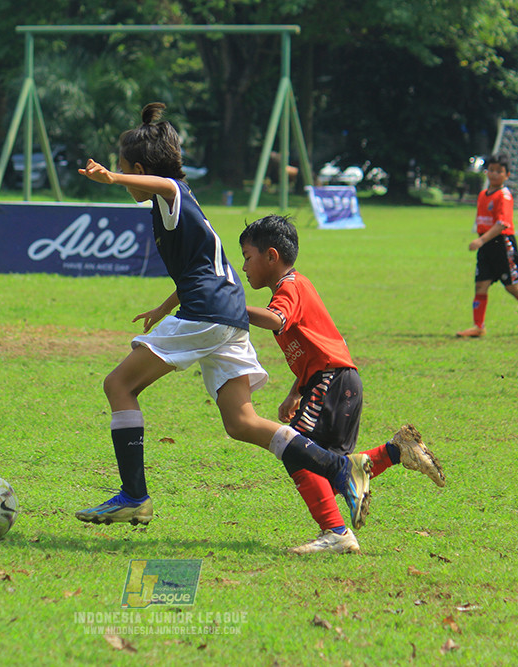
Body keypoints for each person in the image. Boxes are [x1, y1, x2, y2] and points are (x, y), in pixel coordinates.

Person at [74, 103, 372, 531]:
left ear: (137, 169)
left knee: (118, 385)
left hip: (209, 314)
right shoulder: (175, 205)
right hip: (225, 313)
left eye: (125, 170)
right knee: (241, 422)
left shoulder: (172, 193)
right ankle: (341, 468)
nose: (123, 179)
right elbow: (201, 266)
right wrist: (164, 306)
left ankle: (134, 497)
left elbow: (165, 185)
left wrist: (113, 177)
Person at [239, 214, 445, 554]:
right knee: (318, 463)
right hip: (335, 381)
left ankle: (336, 532)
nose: (244, 267)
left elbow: (277, 319)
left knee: (296, 449)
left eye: (248, 257)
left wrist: (231, 306)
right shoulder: (295, 286)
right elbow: (317, 345)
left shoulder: (290, 287)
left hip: (332, 381)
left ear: (271, 256)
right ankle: (396, 452)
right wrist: (297, 390)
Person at [457, 154, 518, 338]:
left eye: (499, 171)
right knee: (481, 285)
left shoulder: (504, 196)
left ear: (506, 175)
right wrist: (482, 240)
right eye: (491, 170)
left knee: (512, 286)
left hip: (502, 244)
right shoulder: (483, 195)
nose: (494, 174)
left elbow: (501, 224)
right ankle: (479, 327)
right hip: (486, 245)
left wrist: (481, 240)